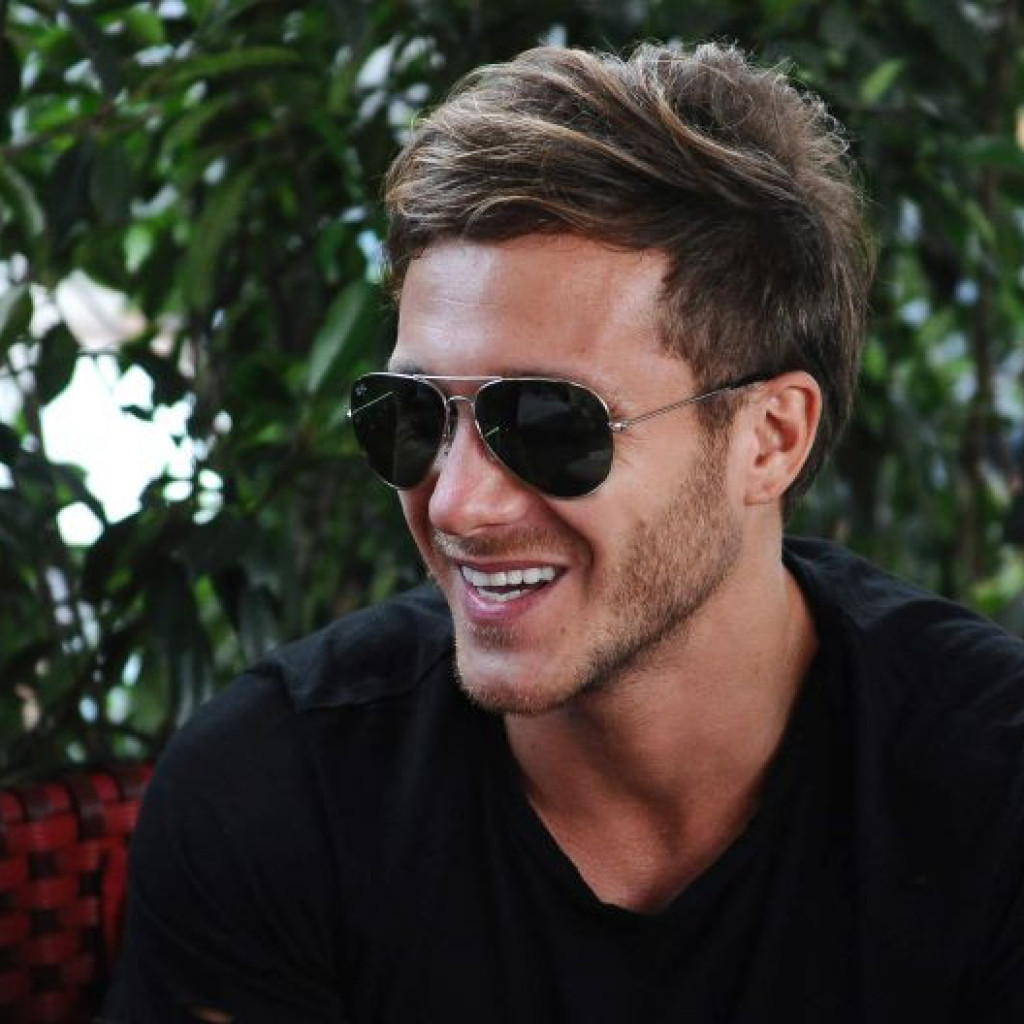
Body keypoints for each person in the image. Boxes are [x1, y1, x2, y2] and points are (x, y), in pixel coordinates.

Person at [104, 42, 1024, 1023]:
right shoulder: (276, 793)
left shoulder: (990, 790)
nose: (457, 505)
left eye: (549, 424)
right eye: (411, 416)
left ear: (770, 439)